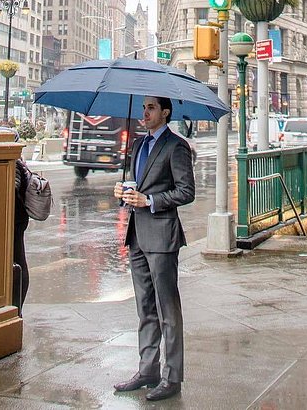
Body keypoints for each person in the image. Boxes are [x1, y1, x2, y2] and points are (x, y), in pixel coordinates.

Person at [113, 96, 195, 402]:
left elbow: (186, 191)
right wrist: (124, 192)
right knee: (145, 307)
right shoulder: (138, 145)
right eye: (143, 107)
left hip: (162, 237)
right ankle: (148, 370)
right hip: (137, 235)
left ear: (165, 112)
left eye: (151, 108)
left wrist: (149, 201)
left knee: (167, 309)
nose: (144, 113)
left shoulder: (176, 147)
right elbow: (139, 184)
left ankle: (172, 377)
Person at [13, 154, 30, 311]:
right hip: (17, 219)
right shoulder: (18, 163)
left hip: (15, 220)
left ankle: (17, 309)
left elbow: (13, 188)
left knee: (18, 262)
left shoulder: (14, 165)